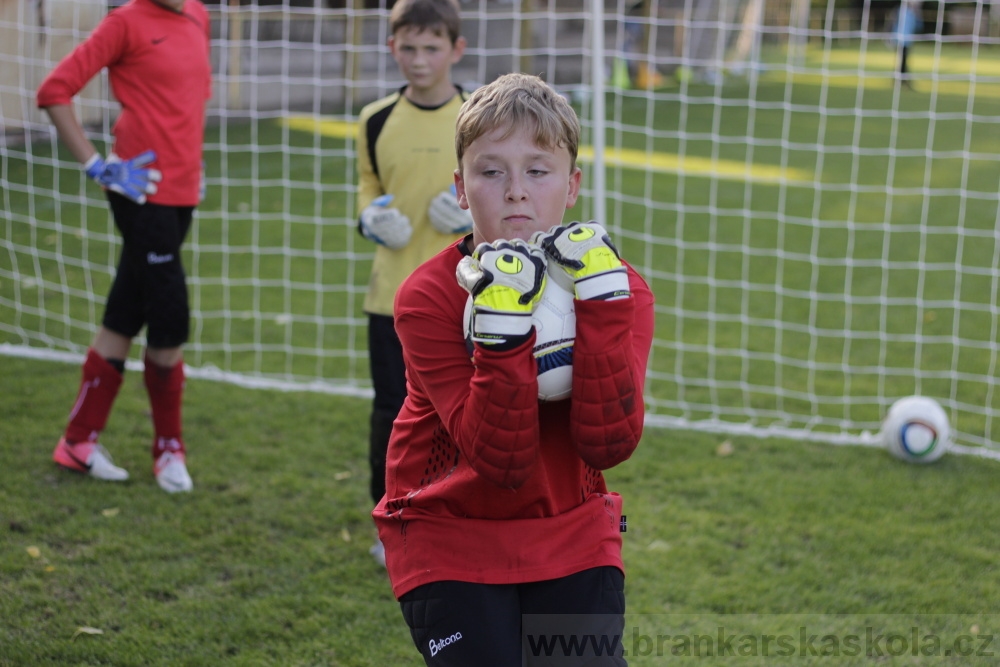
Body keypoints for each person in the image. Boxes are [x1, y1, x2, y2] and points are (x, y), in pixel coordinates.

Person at [372, 72, 656, 666]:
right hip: (447, 527)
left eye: (537, 170)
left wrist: (601, 307)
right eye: (491, 170)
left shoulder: (618, 285)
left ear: (573, 185)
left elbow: (609, 445)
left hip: (570, 527)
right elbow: (498, 460)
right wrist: (501, 340)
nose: (515, 192)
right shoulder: (427, 296)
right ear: (460, 188)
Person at [36, 0, 211, 493]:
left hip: (181, 195)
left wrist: (193, 170)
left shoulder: (199, 14)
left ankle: (77, 442)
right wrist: (96, 165)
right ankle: (169, 449)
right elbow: (53, 91)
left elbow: (189, 101)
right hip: (138, 190)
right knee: (170, 315)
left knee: (126, 310)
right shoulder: (125, 22)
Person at [354, 0, 472, 565]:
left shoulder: (478, 114)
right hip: (391, 295)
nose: (419, 60)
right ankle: (391, 516)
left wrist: (473, 217)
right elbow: (367, 187)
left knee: (464, 412)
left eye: (431, 48)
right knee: (392, 411)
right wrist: (368, 219)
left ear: (456, 50)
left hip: (469, 295)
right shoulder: (375, 118)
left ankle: (457, 512)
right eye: (408, 47)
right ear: (392, 47)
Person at [893, 0, 922, 89]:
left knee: (903, 61)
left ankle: (903, 80)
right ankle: (902, 81)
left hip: (907, 41)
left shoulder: (913, 13)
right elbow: (894, 24)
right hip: (899, 40)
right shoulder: (900, 11)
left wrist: (918, 14)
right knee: (901, 61)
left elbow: (919, 27)